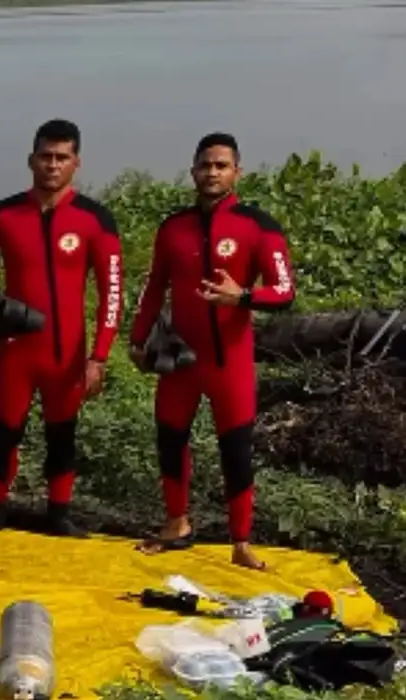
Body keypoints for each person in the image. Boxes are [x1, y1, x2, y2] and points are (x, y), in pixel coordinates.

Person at [129, 132, 296, 570]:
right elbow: (153, 289)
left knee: (236, 451)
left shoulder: (257, 226)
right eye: (205, 165)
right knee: (170, 440)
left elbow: (284, 291)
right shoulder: (173, 228)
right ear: (193, 171)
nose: (212, 173)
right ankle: (176, 523)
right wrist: (137, 338)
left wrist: (241, 296)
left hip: (230, 365)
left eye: (222, 165)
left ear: (237, 172)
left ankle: (240, 542)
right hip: (180, 361)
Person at [0, 118, 123, 540]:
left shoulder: (94, 219)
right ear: (31, 159)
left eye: (61, 158)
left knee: (61, 434)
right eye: (45, 156)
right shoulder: (4, 213)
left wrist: (99, 356)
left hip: (66, 353)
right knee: (5, 432)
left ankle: (59, 514)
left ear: (76, 163)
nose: (52, 165)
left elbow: (112, 294)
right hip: (16, 351)